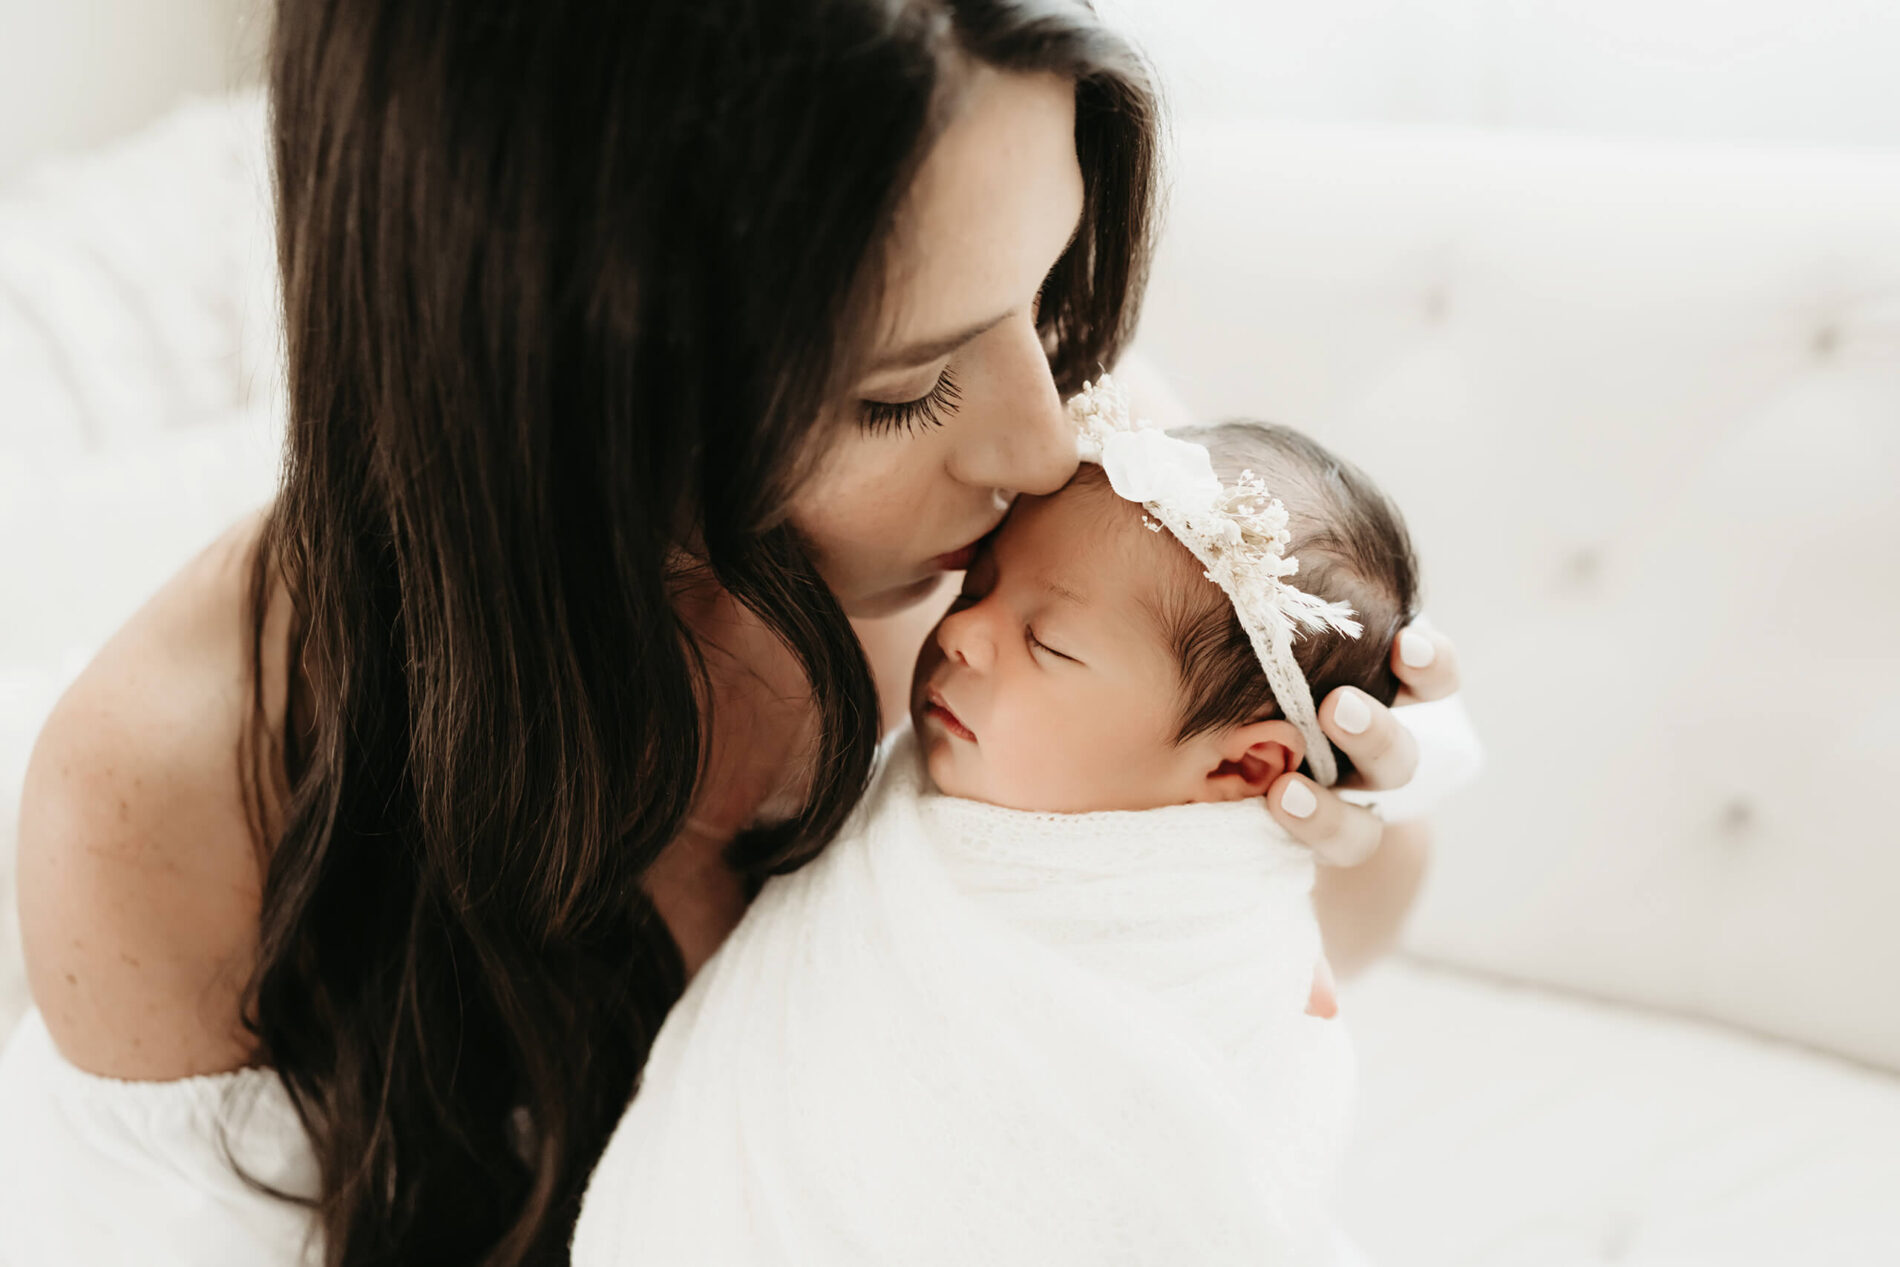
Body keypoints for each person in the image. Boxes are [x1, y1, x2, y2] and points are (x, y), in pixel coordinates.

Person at [2, 3, 1462, 1265]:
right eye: (900, 392)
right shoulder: (167, 794)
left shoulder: (1081, 508)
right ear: (561, 370)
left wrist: (1322, 815)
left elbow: (1333, 945)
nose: (1040, 440)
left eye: (1048, 287)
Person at [570, 394, 1417, 1265]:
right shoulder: (920, 785)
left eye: (1048, 643)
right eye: (976, 586)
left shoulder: (1198, 913)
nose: (965, 631)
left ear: (1240, 769)